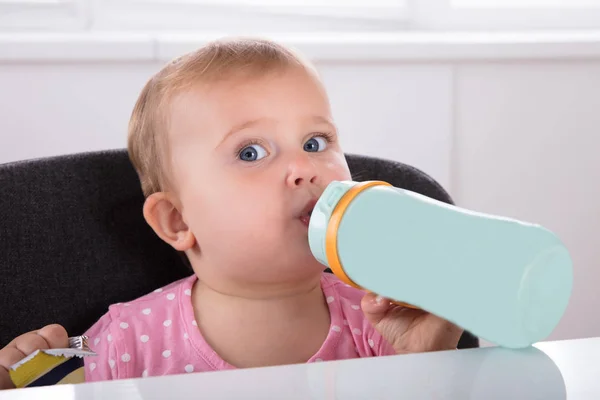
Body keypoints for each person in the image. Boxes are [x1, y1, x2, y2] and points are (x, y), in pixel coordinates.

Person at [0, 37, 463, 389]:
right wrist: (15, 377)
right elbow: (59, 360)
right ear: (178, 221)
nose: (304, 168)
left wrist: (429, 359)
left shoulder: (381, 320)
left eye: (315, 143)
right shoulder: (123, 341)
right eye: (251, 152)